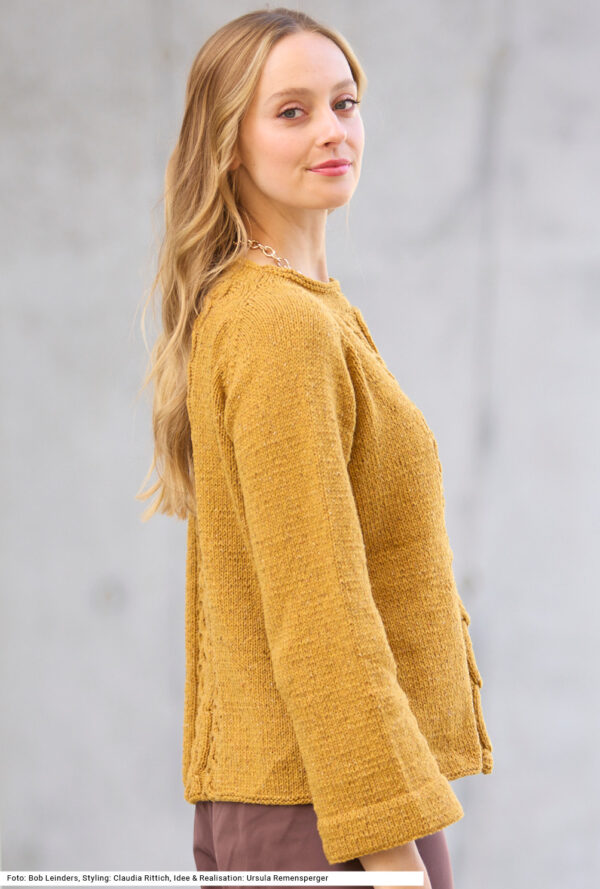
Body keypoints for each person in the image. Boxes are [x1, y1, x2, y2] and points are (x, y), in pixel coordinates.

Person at [137, 8, 494, 889]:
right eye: (292, 111)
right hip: (328, 811)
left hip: (329, 795)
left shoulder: (297, 308)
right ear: (229, 143)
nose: (333, 130)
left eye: (345, 102)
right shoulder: (277, 323)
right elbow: (317, 607)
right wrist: (392, 855)